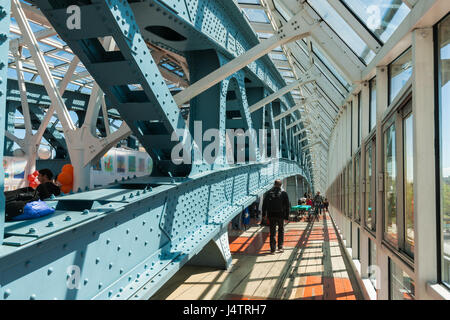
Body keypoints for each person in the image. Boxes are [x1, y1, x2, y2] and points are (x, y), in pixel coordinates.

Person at [262, 180, 290, 254]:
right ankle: (280, 247)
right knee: (281, 230)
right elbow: (287, 206)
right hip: (280, 215)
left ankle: (272, 249)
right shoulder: (284, 193)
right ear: (281, 185)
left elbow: (264, 205)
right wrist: (287, 216)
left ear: (274, 184)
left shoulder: (268, 193)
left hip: (271, 215)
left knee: (272, 231)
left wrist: (263, 215)